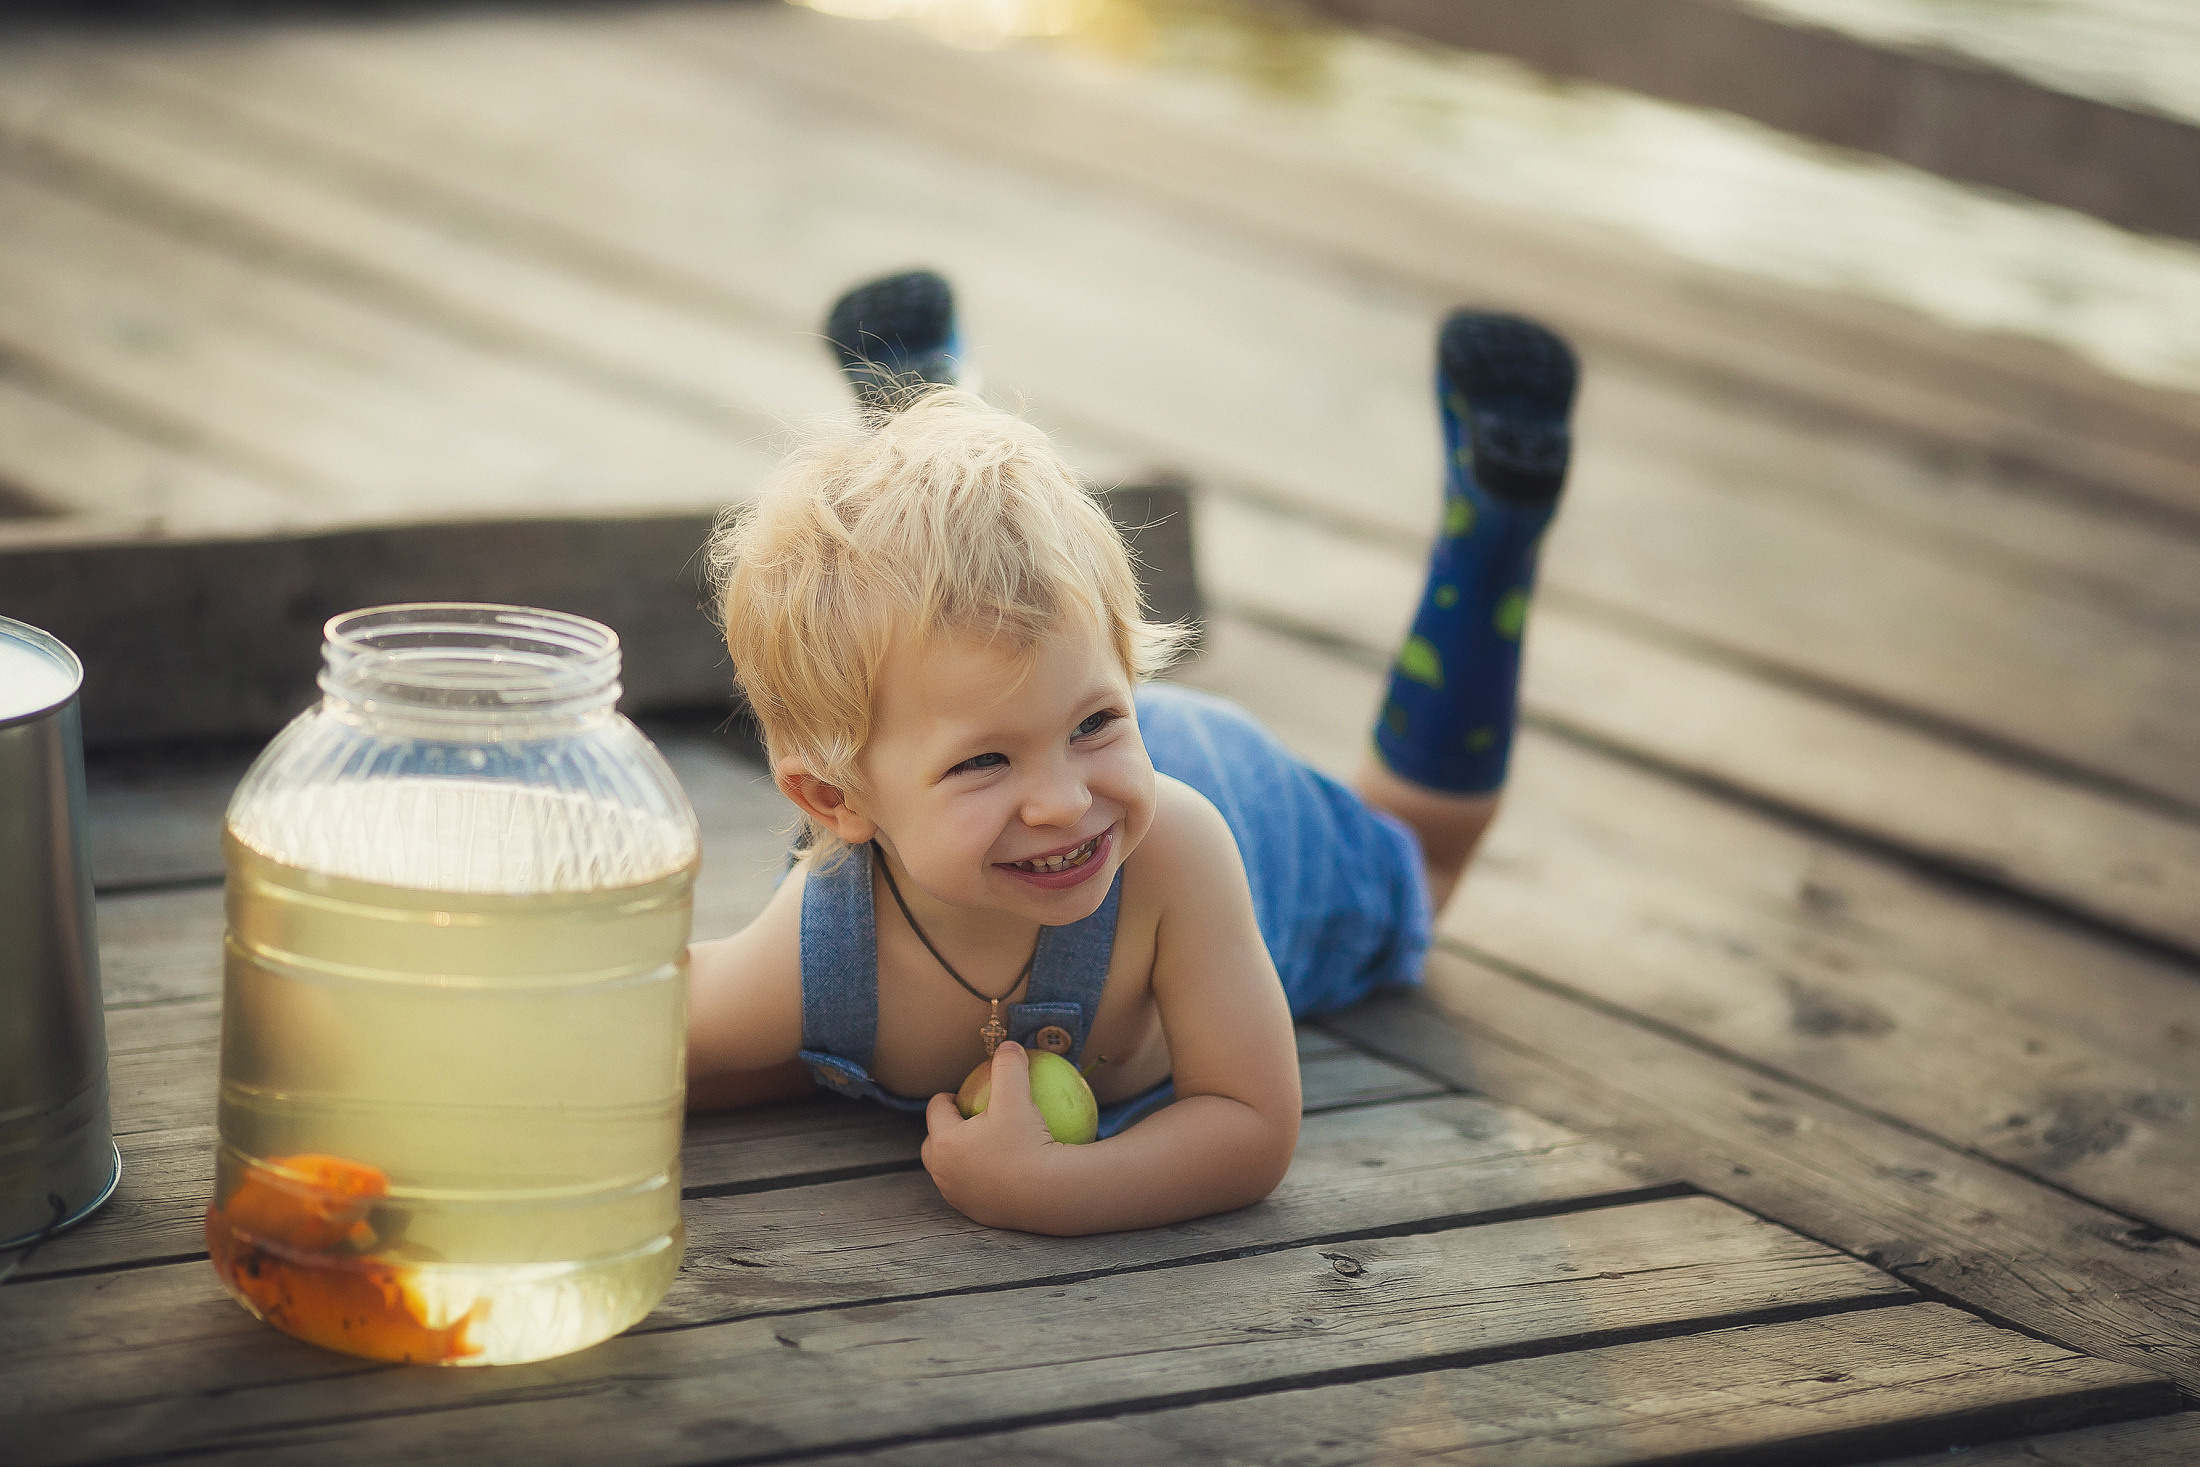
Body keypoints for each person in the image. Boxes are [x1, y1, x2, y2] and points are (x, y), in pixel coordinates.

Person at [684, 271, 1576, 1235]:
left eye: (1098, 720)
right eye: (984, 762)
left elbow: (1249, 1122)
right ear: (833, 799)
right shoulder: (826, 942)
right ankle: (933, 408)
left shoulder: (1179, 857)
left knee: (1424, 850)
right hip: (1039, 719)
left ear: (1124, 683)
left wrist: (1053, 1188)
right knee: (980, 622)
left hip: (1242, 800)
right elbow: (635, 1026)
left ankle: (1492, 538)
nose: (1064, 802)